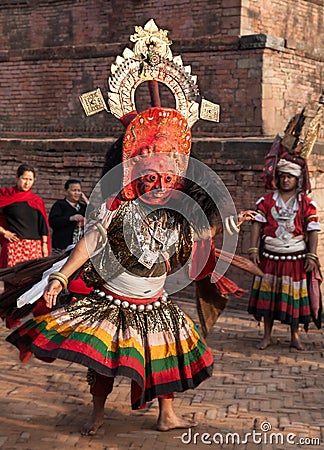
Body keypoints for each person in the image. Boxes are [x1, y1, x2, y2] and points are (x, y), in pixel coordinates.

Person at [5, 21, 256, 437]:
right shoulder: (116, 210)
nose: (159, 185)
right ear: (134, 176)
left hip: (155, 300)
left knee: (165, 357)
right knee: (105, 362)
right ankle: (97, 414)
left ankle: (166, 415)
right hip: (115, 300)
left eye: (168, 178)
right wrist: (60, 276)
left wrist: (230, 223)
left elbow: (196, 237)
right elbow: (89, 242)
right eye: (150, 177)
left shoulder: (178, 215)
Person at [248, 108, 322, 351]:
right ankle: (267, 336)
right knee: (269, 299)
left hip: (296, 258)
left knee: (293, 300)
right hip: (270, 256)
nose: (285, 180)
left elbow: (313, 230)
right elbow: (257, 224)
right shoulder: (266, 201)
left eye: (289, 177)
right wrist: (253, 249)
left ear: (297, 179)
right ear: (277, 178)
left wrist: (312, 255)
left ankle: (295, 336)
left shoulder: (305, 203)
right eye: (281, 177)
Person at [0, 164, 50, 269]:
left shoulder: (36, 201)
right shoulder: (5, 197)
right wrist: (4, 233)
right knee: (13, 280)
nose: (27, 183)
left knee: (33, 281)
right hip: (15, 247)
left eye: (30, 179)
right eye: (24, 179)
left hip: (34, 247)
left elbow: (43, 226)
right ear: (17, 178)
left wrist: (44, 246)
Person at [49, 179, 89, 253]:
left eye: (79, 190)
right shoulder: (60, 205)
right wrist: (70, 218)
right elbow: (53, 222)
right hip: (61, 247)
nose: (77, 193)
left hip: (79, 248)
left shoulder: (83, 207)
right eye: (74, 190)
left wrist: (86, 200)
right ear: (66, 191)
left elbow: (96, 214)